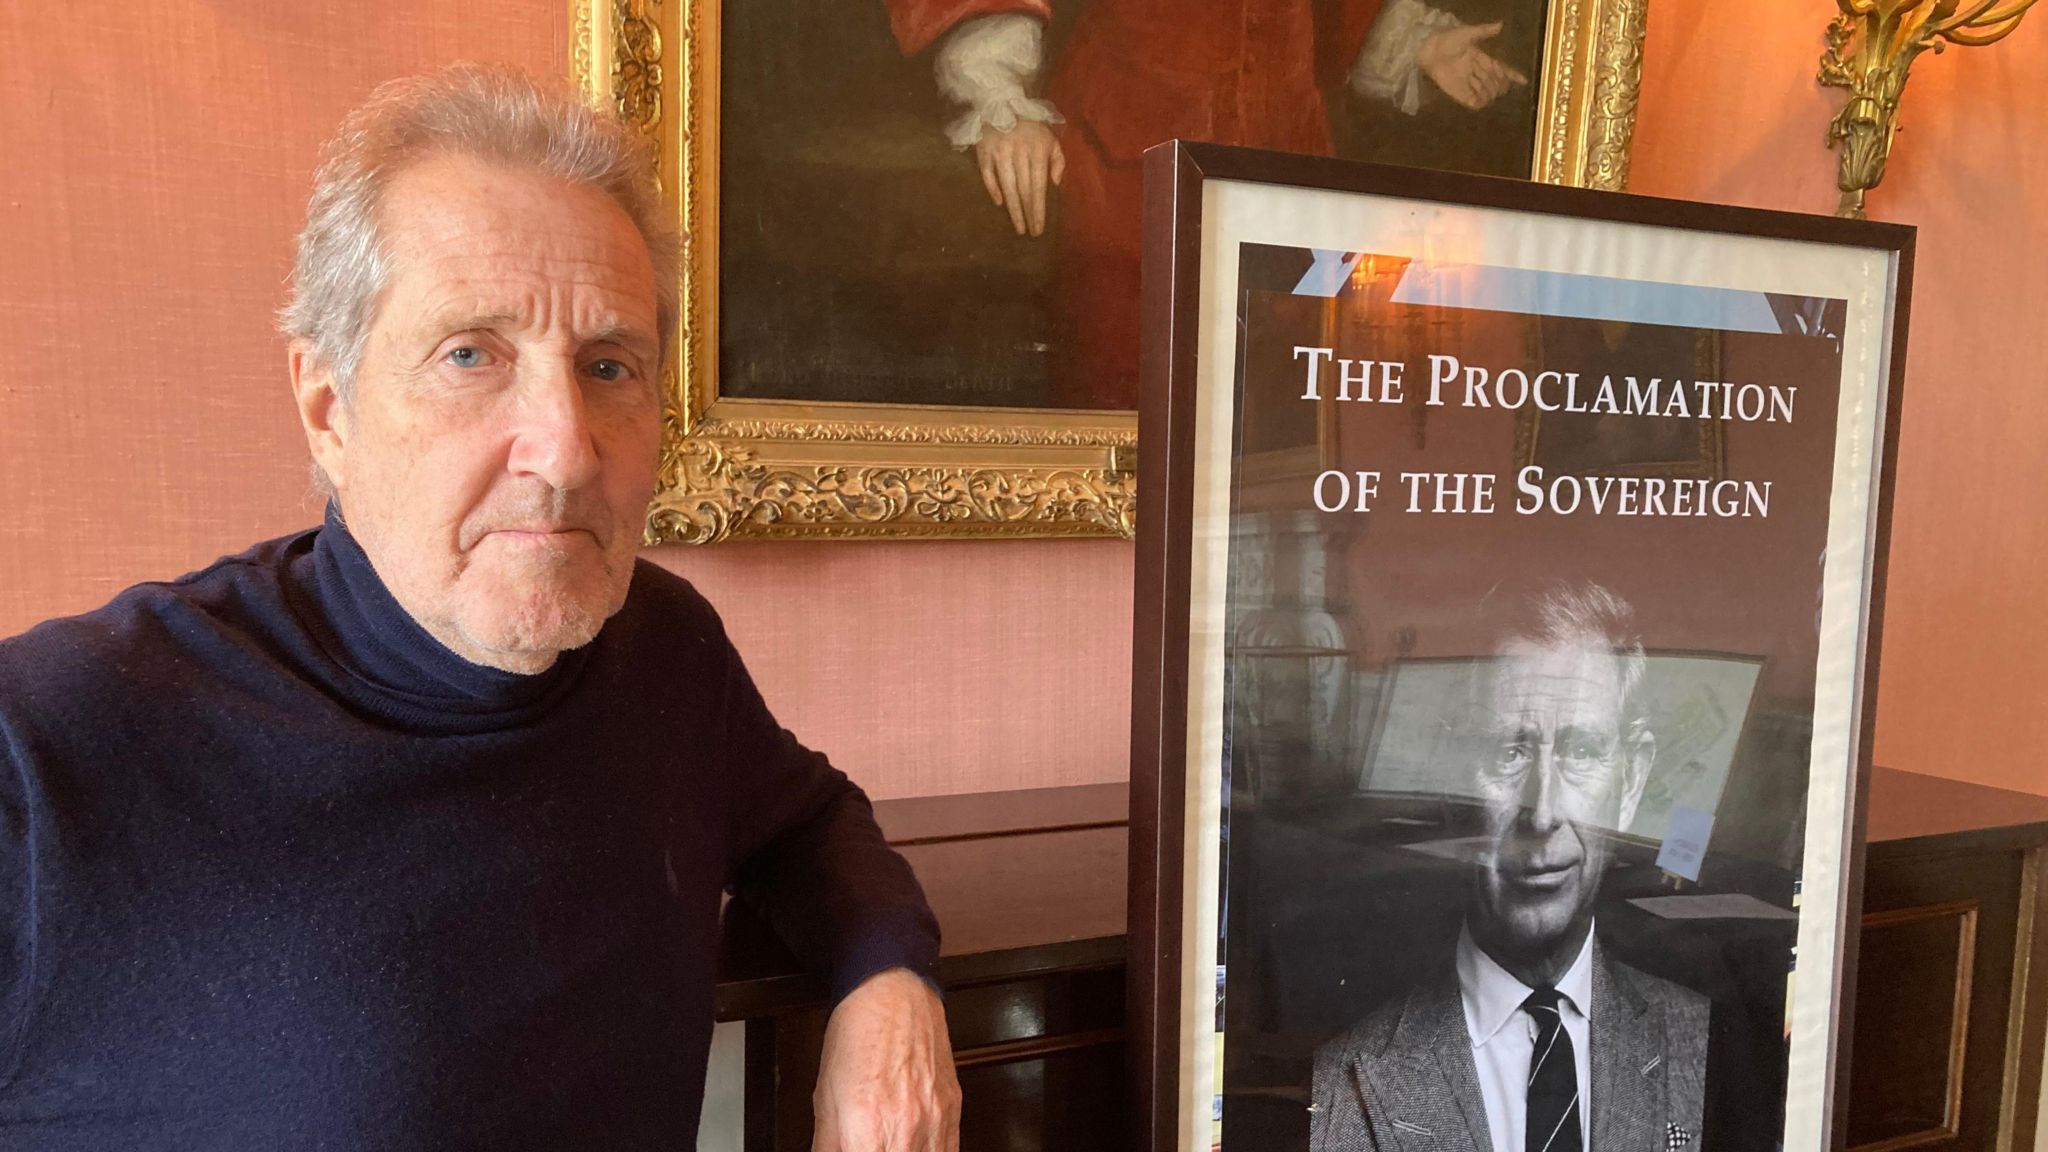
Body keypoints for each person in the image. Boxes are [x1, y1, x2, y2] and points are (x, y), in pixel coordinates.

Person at [0, 66, 957, 1152]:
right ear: (329, 406)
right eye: (470, 355)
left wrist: (888, 984)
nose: (563, 450)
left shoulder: (664, 648)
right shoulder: (47, 750)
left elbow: (808, 821)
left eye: (609, 365)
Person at [886, 0, 1529, 409]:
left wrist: (1416, 43)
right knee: (1134, 407)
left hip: (1286, 178)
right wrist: (997, 94)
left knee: (1285, 418)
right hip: (1131, 176)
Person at [1310, 582, 1708, 1152]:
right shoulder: (1340, 1083)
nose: (1543, 812)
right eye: (1509, 751)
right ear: (1453, 776)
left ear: (1634, 778)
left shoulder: (1702, 1039)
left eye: (1581, 752)